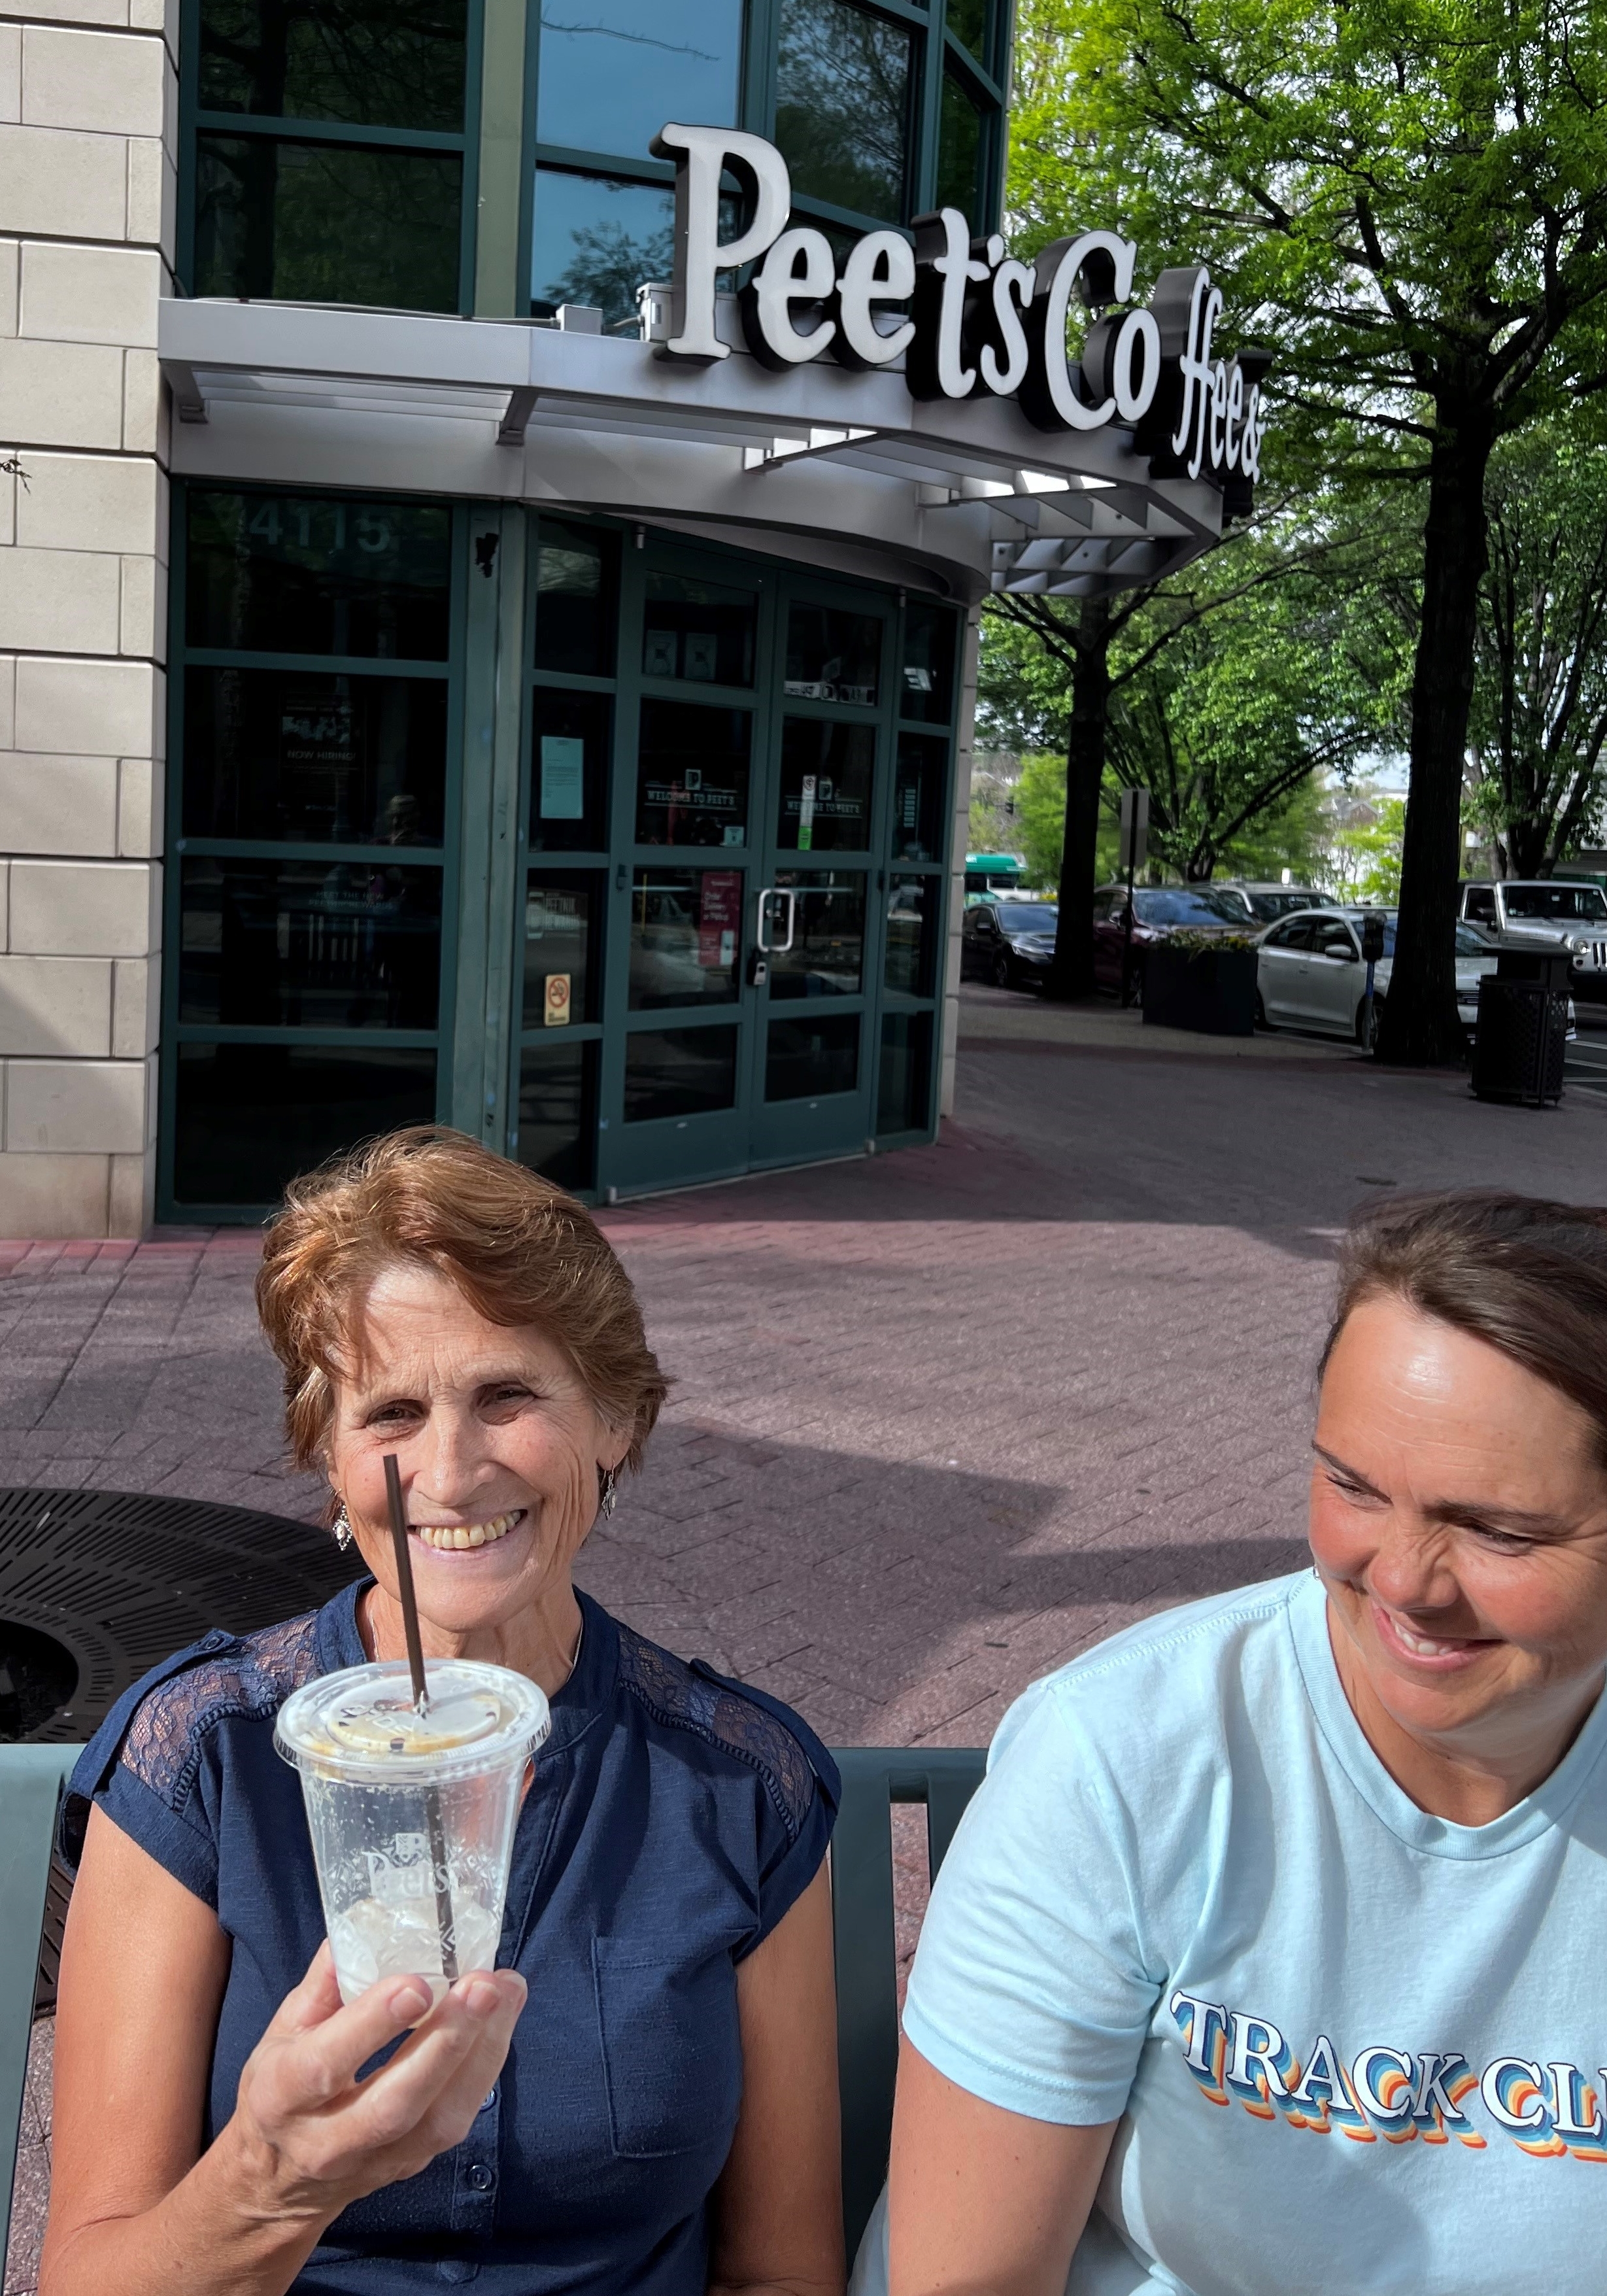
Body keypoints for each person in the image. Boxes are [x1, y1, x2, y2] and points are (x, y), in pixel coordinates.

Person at [41, 1128, 843, 2296]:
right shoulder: (205, 1758)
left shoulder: (736, 1783)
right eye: (392, 1413)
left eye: (506, 1395)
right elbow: (90, 2272)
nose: (452, 1472)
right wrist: (273, 2184)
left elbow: (781, 2272)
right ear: (329, 1456)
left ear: (615, 1419)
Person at [875, 1190, 1607, 2296]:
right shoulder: (1124, 1759)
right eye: (1352, 1486)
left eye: (1496, 1531)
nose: (1401, 1580)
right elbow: (969, 2276)